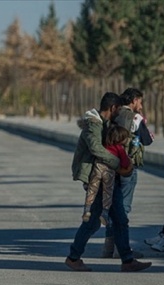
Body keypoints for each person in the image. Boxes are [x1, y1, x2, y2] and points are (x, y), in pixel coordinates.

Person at [64, 93, 151, 272]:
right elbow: (95, 148)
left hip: (107, 178)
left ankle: (126, 260)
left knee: (116, 219)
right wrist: (117, 162)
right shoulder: (93, 124)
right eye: (118, 110)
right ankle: (74, 257)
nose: (119, 114)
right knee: (100, 221)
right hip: (99, 178)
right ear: (112, 108)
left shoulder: (103, 124)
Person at [102, 88, 154, 258]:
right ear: (133, 101)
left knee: (113, 206)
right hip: (127, 165)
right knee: (124, 207)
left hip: (111, 165)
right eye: (140, 101)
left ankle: (108, 248)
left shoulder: (114, 115)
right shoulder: (135, 118)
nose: (141, 105)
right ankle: (121, 249)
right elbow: (147, 140)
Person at [81, 123, 132, 226]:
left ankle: (87, 210)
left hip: (98, 167)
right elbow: (124, 163)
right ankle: (104, 213)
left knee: (92, 188)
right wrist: (129, 162)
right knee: (108, 191)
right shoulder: (119, 148)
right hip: (109, 171)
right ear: (121, 138)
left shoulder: (105, 145)